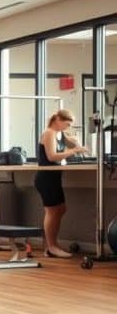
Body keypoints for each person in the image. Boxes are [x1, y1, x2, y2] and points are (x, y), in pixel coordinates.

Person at [35, 109, 88, 258]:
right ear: (57, 119)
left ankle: (52, 245)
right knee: (52, 211)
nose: (68, 127)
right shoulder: (49, 133)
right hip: (46, 178)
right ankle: (51, 247)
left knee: (60, 209)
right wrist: (73, 151)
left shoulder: (60, 134)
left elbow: (74, 145)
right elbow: (52, 156)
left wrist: (76, 144)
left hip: (54, 178)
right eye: (67, 124)